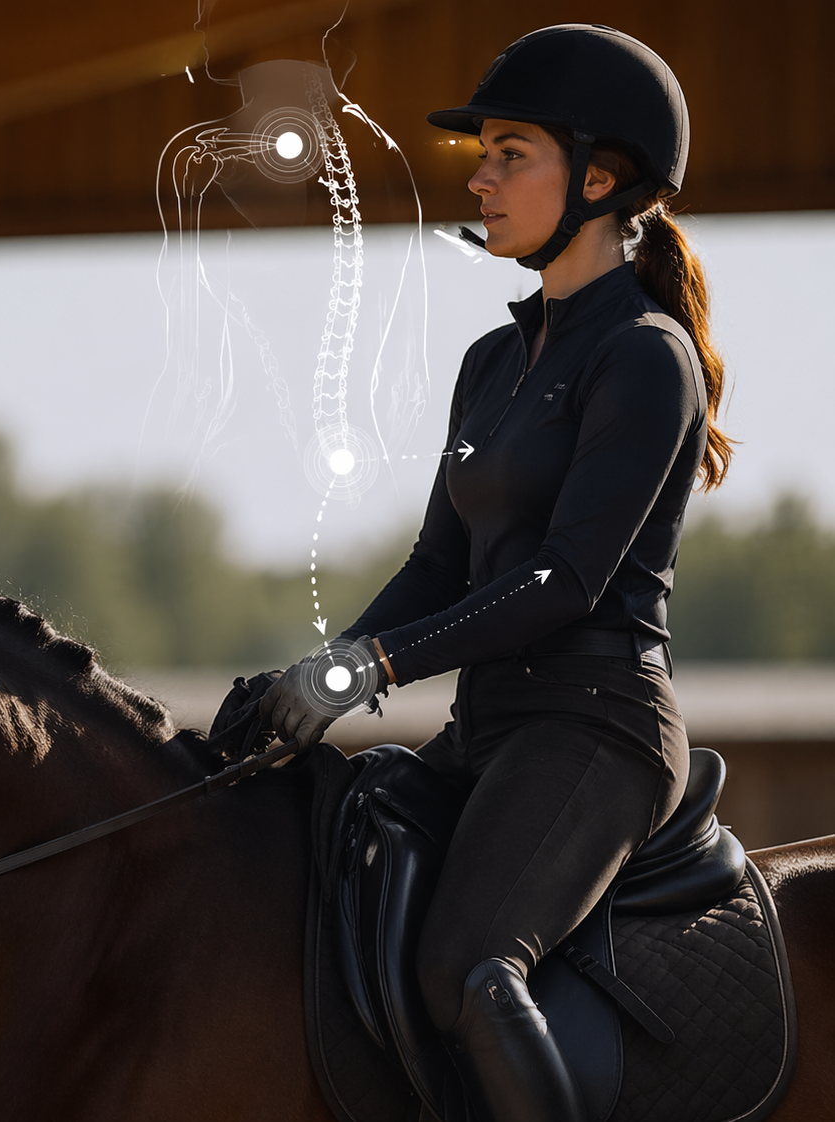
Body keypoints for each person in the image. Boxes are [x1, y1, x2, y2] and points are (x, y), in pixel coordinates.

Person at [258, 25, 732, 1122]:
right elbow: (439, 564)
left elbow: (566, 580)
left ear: (600, 178)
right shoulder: (492, 361)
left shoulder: (645, 355)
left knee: (468, 966)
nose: (478, 178)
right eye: (484, 156)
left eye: (509, 154)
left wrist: (366, 670)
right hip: (488, 728)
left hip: (598, 729)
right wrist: (324, 667)